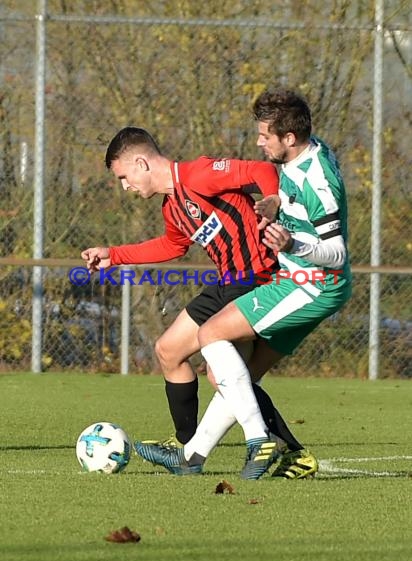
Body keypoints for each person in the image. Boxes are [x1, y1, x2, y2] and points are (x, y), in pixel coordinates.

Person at [135, 87, 352, 479]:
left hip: (310, 283)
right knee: (234, 377)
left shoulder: (317, 180)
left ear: (289, 137)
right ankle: (193, 458)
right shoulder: (304, 153)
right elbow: (277, 182)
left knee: (211, 334)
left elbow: (337, 254)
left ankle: (258, 439)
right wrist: (275, 202)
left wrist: (293, 242)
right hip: (303, 281)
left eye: (265, 135)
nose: (258, 141)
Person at [81, 126, 312, 478]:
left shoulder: (200, 174)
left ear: (141, 163)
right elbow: (172, 246)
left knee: (223, 376)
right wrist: (115, 254)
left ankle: (291, 452)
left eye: (125, 177)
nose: (126, 187)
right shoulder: (172, 208)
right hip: (227, 283)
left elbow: (261, 170)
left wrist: (271, 200)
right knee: (168, 350)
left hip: (259, 277)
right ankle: (186, 446)